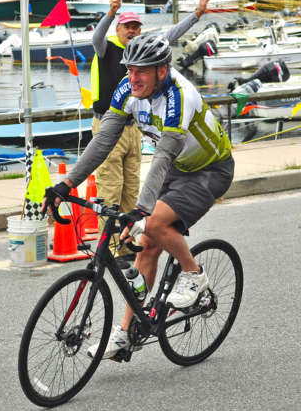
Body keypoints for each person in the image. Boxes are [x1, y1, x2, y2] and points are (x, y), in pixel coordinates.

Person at [46, 33, 234, 360]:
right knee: (146, 246)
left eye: (141, 71)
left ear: (162, 70)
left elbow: (161, 156)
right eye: (130, 70)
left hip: (210, 170)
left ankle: (194, 275)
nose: (133, 78)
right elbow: (103, 142)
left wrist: (142, 210)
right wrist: (66, 184)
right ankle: (126, 334)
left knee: (153, 224)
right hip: (178, 168)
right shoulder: (127, 90)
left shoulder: (179, 96)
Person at [89, 0, 212, 259]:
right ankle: (109, 248)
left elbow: (171, 36)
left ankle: (126, 243)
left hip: (133, 129)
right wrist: (110, 13)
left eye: (136, 27)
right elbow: (96, 36)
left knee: (131, 189)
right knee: (110, 188)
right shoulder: (106, 49)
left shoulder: (146, 51)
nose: (132, 31)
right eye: (127, 27)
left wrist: (197, 14)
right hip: (109, 126)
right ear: (118, 29)